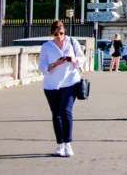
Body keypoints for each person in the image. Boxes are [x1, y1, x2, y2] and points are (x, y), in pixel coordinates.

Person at [39, 20, 85, 157]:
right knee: (56, 114)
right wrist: (55, 64)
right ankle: (60, 144)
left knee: (65, 111)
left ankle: (68, 143)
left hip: (70, 82)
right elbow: (42, 67)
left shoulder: (72, 42)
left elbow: (81, 58)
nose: (59, 36)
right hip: (51, 85)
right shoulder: (46, 47)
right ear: (51, 34)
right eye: (56, 34)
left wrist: (73, 60)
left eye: (61, 33)